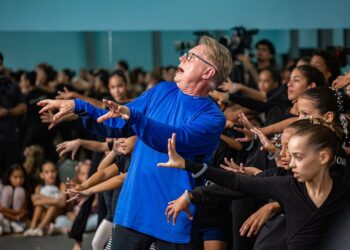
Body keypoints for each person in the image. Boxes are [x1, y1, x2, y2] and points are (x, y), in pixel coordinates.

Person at [37, 36, 233, 249]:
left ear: (208, 72)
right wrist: (79, 107)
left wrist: (133, 116)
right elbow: (115, 123)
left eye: (190, 56)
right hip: (133, 210)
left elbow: (173, 140)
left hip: (174, 219)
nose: (181, 58)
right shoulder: (163, 90)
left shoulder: (213, 118)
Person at [159, 120, 350, 249]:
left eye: (298, 157)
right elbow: (234, 180)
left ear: (323, 157)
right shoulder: (286, 186)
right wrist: (187, 165)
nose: (290, 163)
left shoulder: (343, 195)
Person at [23, 162, 66, 237]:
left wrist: (42, 198)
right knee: (39, 206)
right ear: (41, 175)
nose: (50, 174)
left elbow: (62, 203)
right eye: (47, 172)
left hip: (56, 215)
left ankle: (40, 228)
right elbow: (35, 202)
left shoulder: (61, 185)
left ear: (56, 172)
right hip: (43, 214)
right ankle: (32, 227)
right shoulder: (39, 187)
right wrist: (55, 200)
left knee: (53, 206)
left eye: (53, 171)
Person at [0, 164, 30, 235]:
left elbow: (23, 211)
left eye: (21, 177)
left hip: (14, 218)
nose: (19, 180)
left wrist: (5, 210)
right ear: (9, 177)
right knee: (8, 189)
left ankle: (14, 223)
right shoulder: (2, 187)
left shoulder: (25, 190)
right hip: (4, 217)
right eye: (15, 177)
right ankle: (6, 222)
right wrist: (15, 217)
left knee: (20, 190)